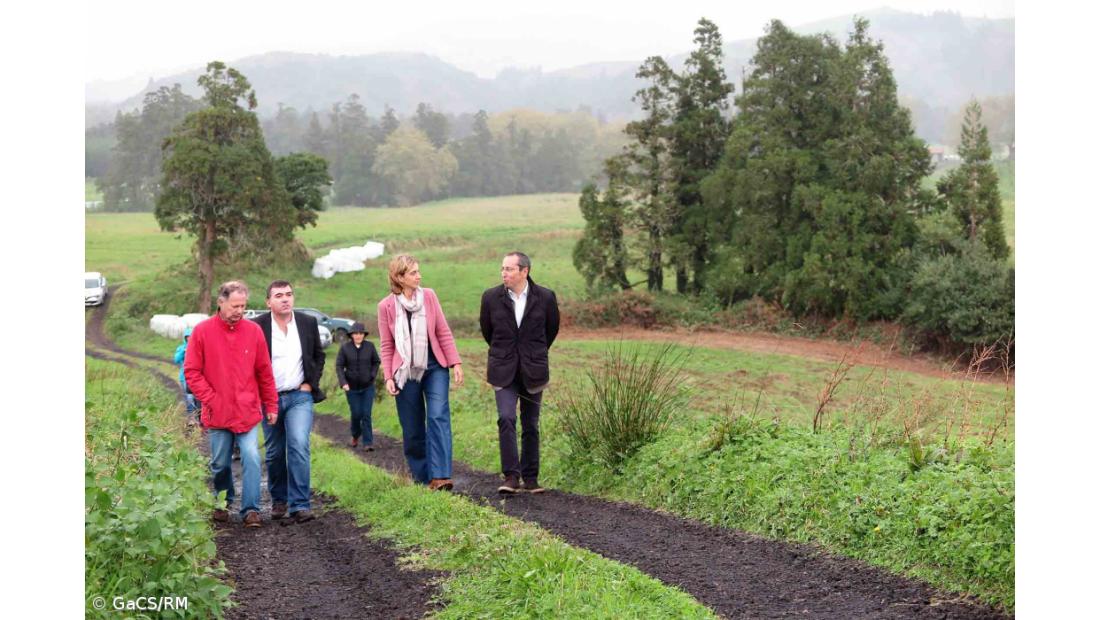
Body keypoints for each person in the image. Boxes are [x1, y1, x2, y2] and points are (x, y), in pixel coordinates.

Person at [184, 281, 278, 527]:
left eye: (244, 306)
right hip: (217, 412)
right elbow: (192, 372)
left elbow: (264, 372)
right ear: (221, 302)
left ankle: (251, 510)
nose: (239, 311)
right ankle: (223, 502)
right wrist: (212, 399)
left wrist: (271, 405)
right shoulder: (202, 332)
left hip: (247, 410)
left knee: (251, 457)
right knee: (220, 463)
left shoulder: (254, 331)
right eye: (235, 306)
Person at [377, 255, 464, 491]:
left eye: (418, 271)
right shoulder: (385, 306)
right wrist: (388, 376)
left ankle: (441, 476)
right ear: (399, 277)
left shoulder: (429, 296)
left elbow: (443, 331)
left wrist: (455, 362)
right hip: (405, 371)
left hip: (434, 365)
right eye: (413, 272)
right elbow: (387, 345)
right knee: (412, 426)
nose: (419, 276)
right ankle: (422, 477)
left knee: (438, 416)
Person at [479, 251, 559, 494]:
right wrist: (506, 353)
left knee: (531, 424)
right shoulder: (491, 297)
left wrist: (532, 353)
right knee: (506, 417)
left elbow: (551, 329)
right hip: (503, 368)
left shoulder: (545, 297)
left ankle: (531, 478)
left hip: (533, 369)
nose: (504, 273)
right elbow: (487, 332)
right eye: (502, 268)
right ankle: (511, 476)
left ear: (525, 271)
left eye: (509, 269)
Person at [251, 280, 326, 524]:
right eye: (279, 295)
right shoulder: (257, 326)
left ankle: (300, 504)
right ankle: (280, 500)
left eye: (289, 294)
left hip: (299, 396)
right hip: (269, 398)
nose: (285, 299)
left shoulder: (307, 322)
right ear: (268, 302)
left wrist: (310, 383)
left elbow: (318, 354)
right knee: (273, 452)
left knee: (298, 444)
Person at [336, 322, 381, 450]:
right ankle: (355, 435)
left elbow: (376, 362)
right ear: (351, 335)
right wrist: (343, 382)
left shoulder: (370, 347)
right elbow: (339, 366)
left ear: (364, 335)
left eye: (361, 333)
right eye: (355, 333)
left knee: (366, 414)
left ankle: (368, 443)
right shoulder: (345, 348)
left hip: (368, 387)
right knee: (356, 414)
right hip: (351, 388)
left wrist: (372, 376)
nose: (358, 335)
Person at [174, 327, 199, 423]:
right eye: (187, 337)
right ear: (184, 338)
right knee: (188, 397)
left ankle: (198, 416)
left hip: (196, 377)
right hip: (184, 377)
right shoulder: (181, 348)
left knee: (197, 398)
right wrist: (183, 351)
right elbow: (176, 359)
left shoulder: (198, 347)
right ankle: (191, 417)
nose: (189, 339)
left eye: (190, 337)